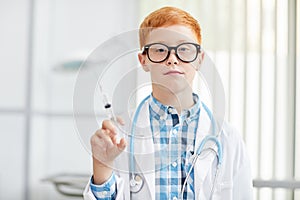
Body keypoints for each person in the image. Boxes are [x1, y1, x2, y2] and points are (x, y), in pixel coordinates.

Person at [83, 6, 253, 200]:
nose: (172, 59)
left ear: (199, 59)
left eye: (184, 49)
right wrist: (102, 166)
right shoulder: (119, 136)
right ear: (143, 60)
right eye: (160, 50)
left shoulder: (228, 139)